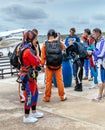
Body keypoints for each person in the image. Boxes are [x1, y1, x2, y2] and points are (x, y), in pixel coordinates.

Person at [20, 30, 44, 123]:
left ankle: (33, 112)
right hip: (27, 76)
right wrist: (37, 53)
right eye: (35, 39)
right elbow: (37, 62)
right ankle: (26, 117)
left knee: (35, 93)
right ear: (30, 39)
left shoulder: (23, 48)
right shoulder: (28, 51)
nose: (36, 41)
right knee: (29, 96)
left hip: (29, 76)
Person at [41, 29, 67, 102]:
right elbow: (65, 49)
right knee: (60, 81)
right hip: (58, 66)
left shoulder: (44, 44)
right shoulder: (60, 43)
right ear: (55, 35)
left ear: (48, 36)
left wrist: (42, 65)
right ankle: (62, 96)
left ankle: (47, 97)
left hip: (49, 66)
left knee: (48, 82)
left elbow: (43, 57)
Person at [88, 28, 105, 102]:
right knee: (103, 79)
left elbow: (101, 53)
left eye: (94, 34)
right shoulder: (99, 41)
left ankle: (99, 97)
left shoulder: (102, 41)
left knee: (100, 80)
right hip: (101, 63)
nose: (93, 35)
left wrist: (92, 53)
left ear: (98, 33)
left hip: (101, 63)